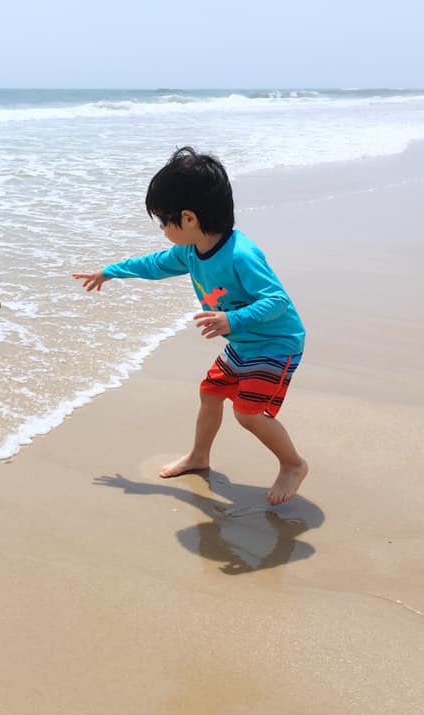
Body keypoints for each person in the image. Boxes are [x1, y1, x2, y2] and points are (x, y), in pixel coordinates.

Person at [72, 147, 308, 505]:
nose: (164, 230)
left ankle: (292, 464)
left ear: (189, 218)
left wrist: (231, 319)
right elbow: (154, 265)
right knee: (210, 393)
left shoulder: (240, 255)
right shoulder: (190, 250)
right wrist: (111, 271)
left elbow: (277, 301)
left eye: (165, 222)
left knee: (247, 413)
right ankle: (199, 457)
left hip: (276, 343)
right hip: (244, 344)